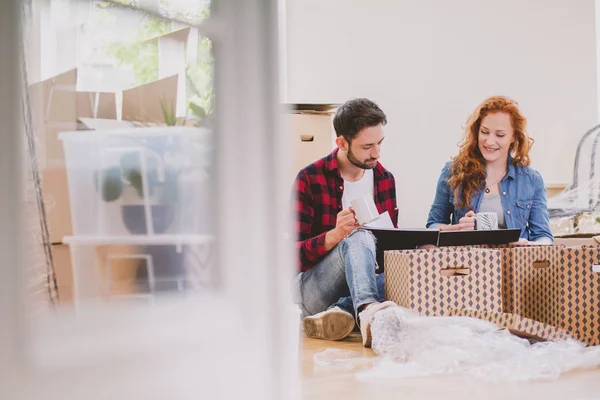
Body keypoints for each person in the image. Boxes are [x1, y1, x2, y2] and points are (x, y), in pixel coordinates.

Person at [292, 98, 398, 347]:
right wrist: (335, 235)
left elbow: (390, 252)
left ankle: (341, 312)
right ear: (341, 142)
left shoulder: (385, 179)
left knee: (411, 269)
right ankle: (368, 312)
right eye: (367, 146)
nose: (377, 153)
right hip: (313, 291)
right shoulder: (309, 179)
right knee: (358, 237)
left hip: (361, 284)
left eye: (379, 143)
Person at [426, 95, 553, 244]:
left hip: (514, 265)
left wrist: (529, 245)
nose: (490, 141)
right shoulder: (453, 172)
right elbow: (432, 226)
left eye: (500, 135)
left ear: (514, 136)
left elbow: (544, 237)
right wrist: (456, 228)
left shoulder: (531, 179)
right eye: (485, 132)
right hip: (467, 265)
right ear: (476, 131)